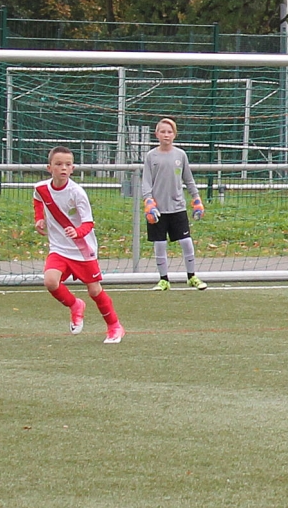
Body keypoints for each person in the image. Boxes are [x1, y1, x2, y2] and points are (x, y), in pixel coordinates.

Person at [34, 146, 125, 344]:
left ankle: (114, 326)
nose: (63, 168)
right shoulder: (41, 188)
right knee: (50, 281)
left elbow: (88, 223)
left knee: (94, 290)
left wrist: (77, 232)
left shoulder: (77, 193)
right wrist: (39, 218)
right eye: (58, 164)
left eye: (68, 164)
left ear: (73, 168)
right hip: (59, 249)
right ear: (49, 168)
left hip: (82, 250)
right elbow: (37, 200)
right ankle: (75, 305)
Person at [141, 117, 208, 291]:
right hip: (158, 210)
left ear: (174, 135)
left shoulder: (180, 155)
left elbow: (189, 180)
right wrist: (148, 202)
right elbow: (146, 182)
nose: (166, 135)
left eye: (169, 132)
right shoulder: (151, 156)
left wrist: (197, 199)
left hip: (178, 207)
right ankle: (164, 280)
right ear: (156, 134)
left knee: (186, 242)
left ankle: (191, 276)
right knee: (160, 244)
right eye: (163, 131)